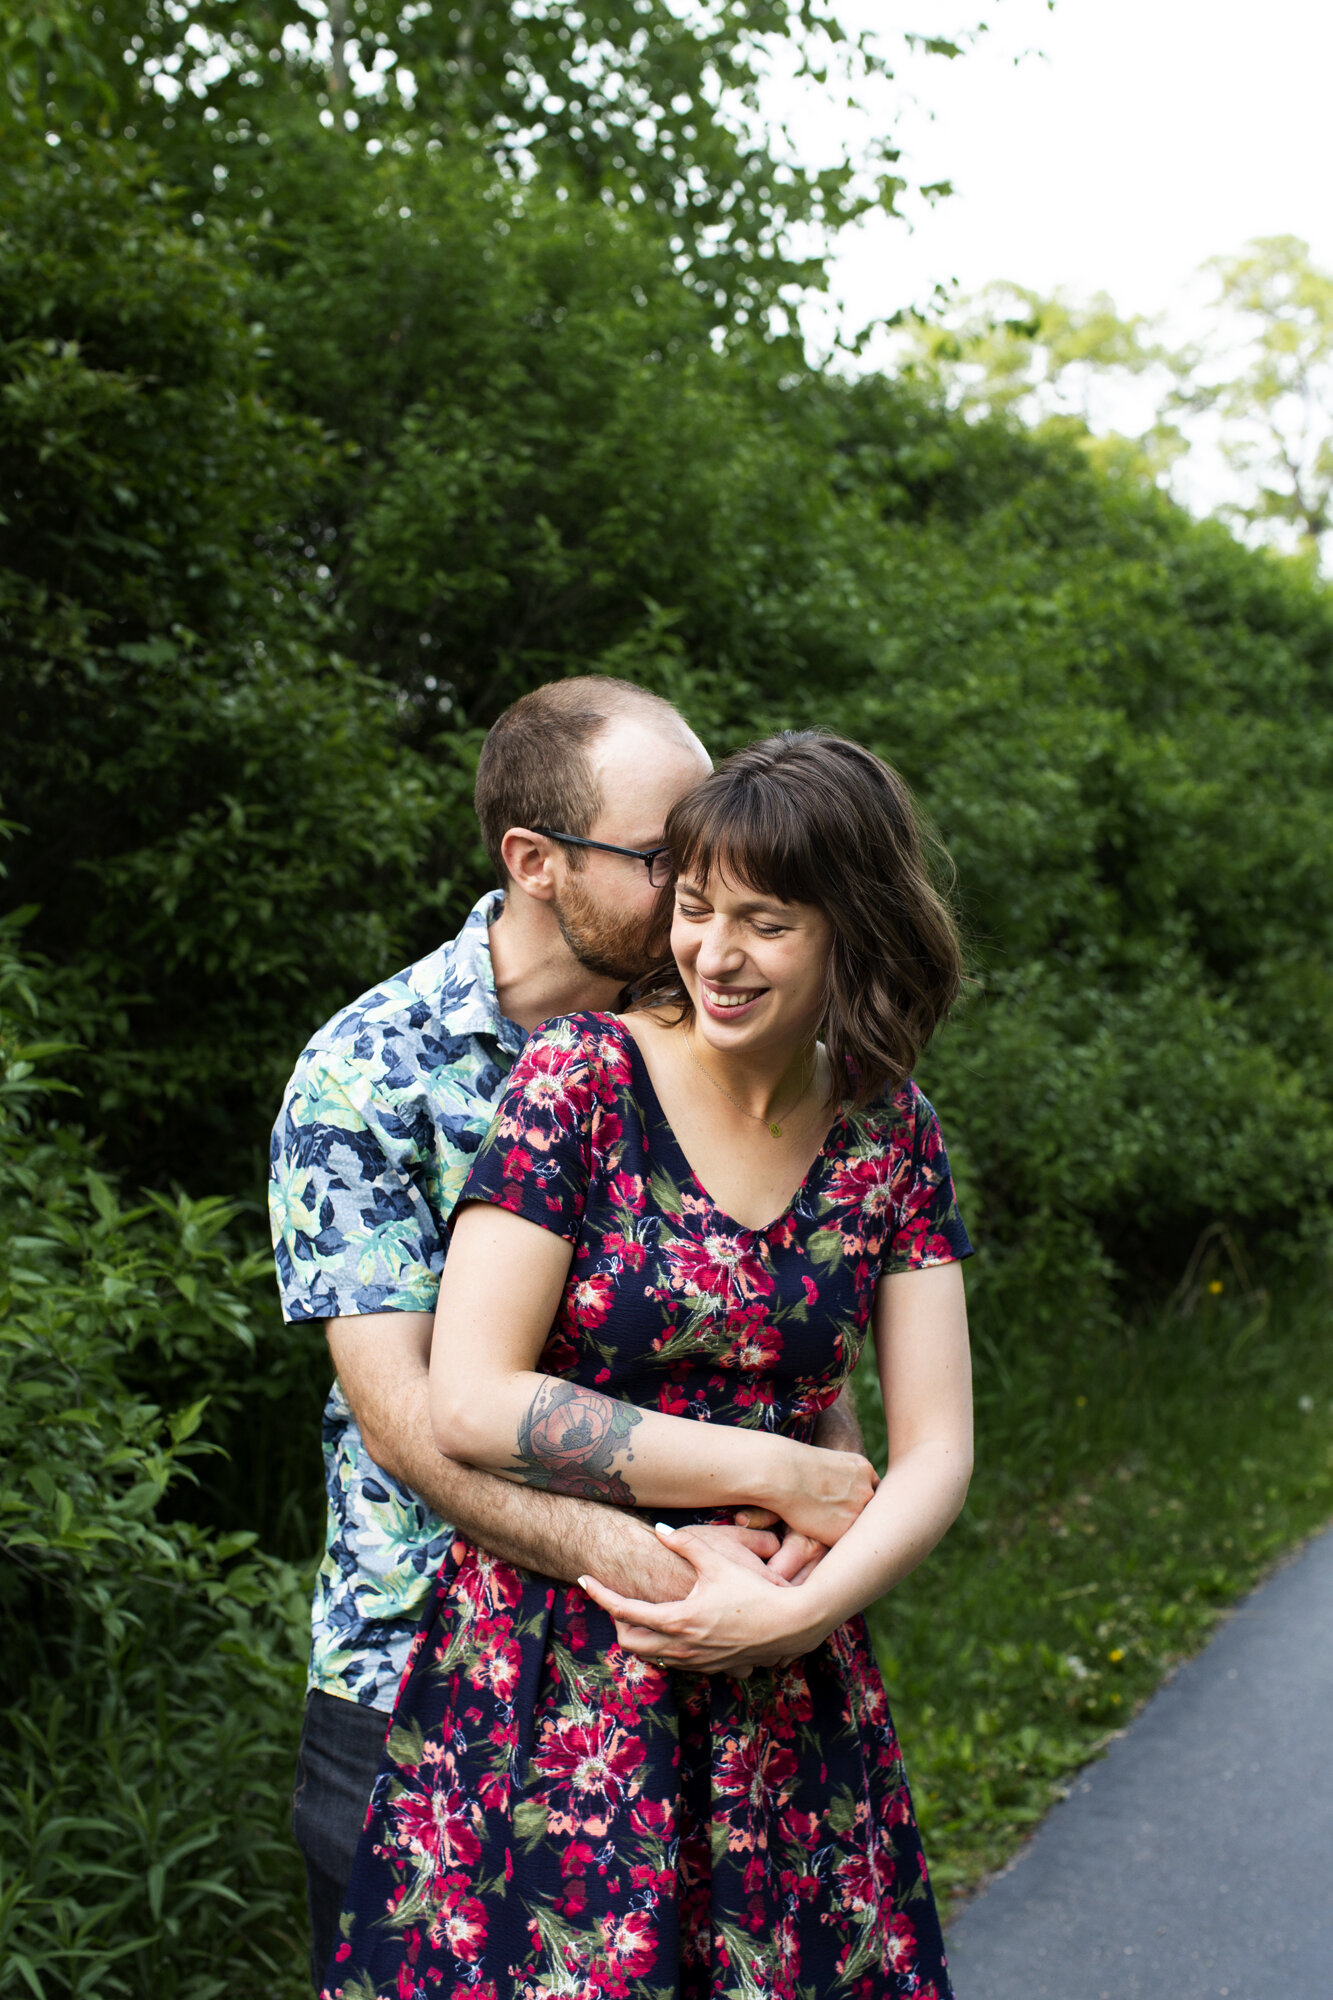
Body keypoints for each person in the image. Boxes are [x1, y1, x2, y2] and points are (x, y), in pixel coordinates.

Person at [322, 730, 974, 2000]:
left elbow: (940, 1444)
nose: (713, 953)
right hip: (558, 1664)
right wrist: (787, 1471)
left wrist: (795, 1612)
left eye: (765, 922)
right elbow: (469, 1396)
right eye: (693, 907)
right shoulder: (581, 1081)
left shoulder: (890, 1129)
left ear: (853, 924)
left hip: (788, 1686)